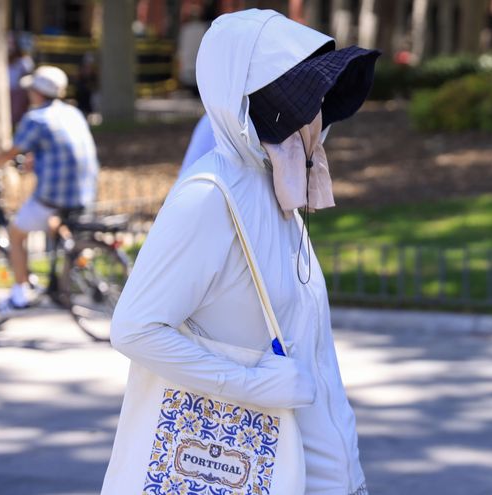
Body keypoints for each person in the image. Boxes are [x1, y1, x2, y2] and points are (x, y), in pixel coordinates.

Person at [105, 10, 379, 495]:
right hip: (255, 470)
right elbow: (135, 328)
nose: (314, 109)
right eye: (300, 93)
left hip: (320, 473)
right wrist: (249, 385)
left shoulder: (275, 186)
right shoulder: (210, 195)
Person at [0, 65, 99, 313]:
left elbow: (9, 153)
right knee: (53, 225)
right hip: (84, 192)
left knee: (16, 233)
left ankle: (19, 294)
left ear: (37, 93)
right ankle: (71, 263)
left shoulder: (36, 118)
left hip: (54, 195)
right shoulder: (73, 113)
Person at [7, 33, 35, 126]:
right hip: (5, 92)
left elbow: (28, 77)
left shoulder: (24, 61)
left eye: (11, 44)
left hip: (18, 94)